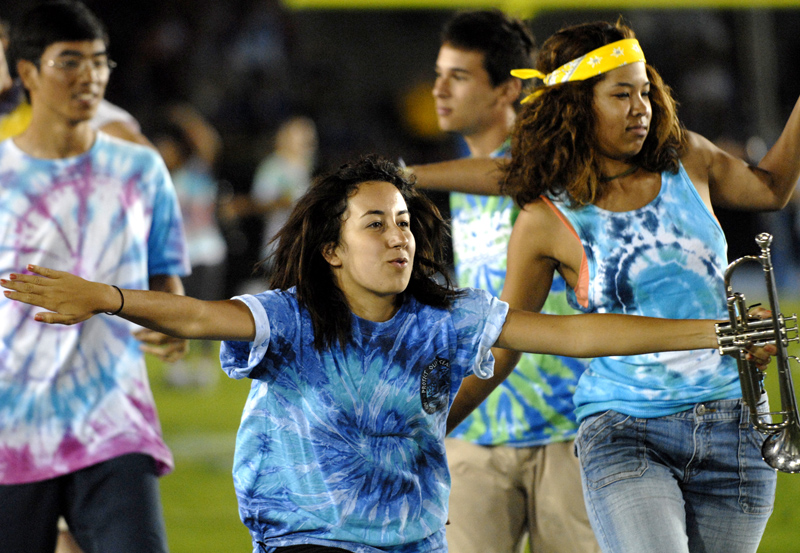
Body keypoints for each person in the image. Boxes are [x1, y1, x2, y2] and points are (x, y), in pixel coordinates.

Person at [2, 154, 739, 553]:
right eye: (375, 224)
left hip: (414, 541)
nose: (398, 237)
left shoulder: (445, 317)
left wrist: (723, 332)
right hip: (307, 540)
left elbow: (575, 333)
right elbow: (197, 313)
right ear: (330, 248)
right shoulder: (289, 318)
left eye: (404, 224)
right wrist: (106, 295)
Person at [440, 19, 800, 553]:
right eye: (621, 95)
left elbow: (771, 188)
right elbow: (506, 342)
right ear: (577, 106)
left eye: (645, 92)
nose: (641, 107)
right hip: (625, 429)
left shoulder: (689, 158)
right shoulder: (545, 220)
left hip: (734, 425)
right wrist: (427, 427)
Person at [0, 2, 190, 553]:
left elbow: (168, 284)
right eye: (70, 62)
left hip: (112, 422)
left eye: (99, 62)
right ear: (28, 73)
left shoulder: (140, 168)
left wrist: (170, 324)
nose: (90, 76)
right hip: (12, 425)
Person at [422, 9, 597, 553]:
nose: (439, 90)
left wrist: (402, 176)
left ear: (507, 91)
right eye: (438, 74)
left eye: (459, 76)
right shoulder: (461, 180)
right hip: (477, 428)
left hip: (569, 428)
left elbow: (518, 174)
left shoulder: (557, 163)